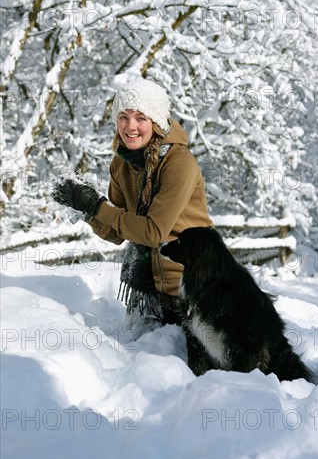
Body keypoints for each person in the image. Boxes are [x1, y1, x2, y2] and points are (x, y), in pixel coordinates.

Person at [52, 78, 213, 328]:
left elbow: (151, 232)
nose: (130, 126)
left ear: (156, 122)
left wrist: (98, 207)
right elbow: (117, 230)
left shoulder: (178, 162)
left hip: (193, 292)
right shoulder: (122, 162)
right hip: (147, 293)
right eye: (123, 117)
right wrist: (86, 207)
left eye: (141, 118)